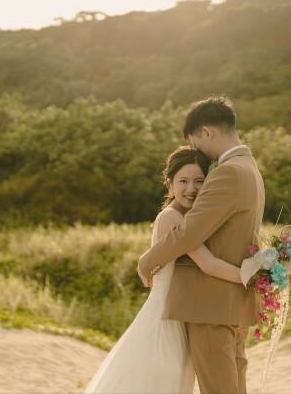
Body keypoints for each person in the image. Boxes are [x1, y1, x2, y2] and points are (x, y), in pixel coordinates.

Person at [84, 144, 248, 394]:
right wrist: (252, 276)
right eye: (183, 181)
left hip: (180, 313)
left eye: (199, 181)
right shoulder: (173, 218)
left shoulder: (193, 218)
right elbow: (208, 264)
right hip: (165, 318)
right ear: (170, 185)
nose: (190, 189)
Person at [137, 95, 265, 394]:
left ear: (207, 132)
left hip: (210, 305)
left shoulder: (228, 171)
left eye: (195, 143)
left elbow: (191, 232)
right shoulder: (250, 168)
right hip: (232, 302)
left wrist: (147, 260)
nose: (198, 152)